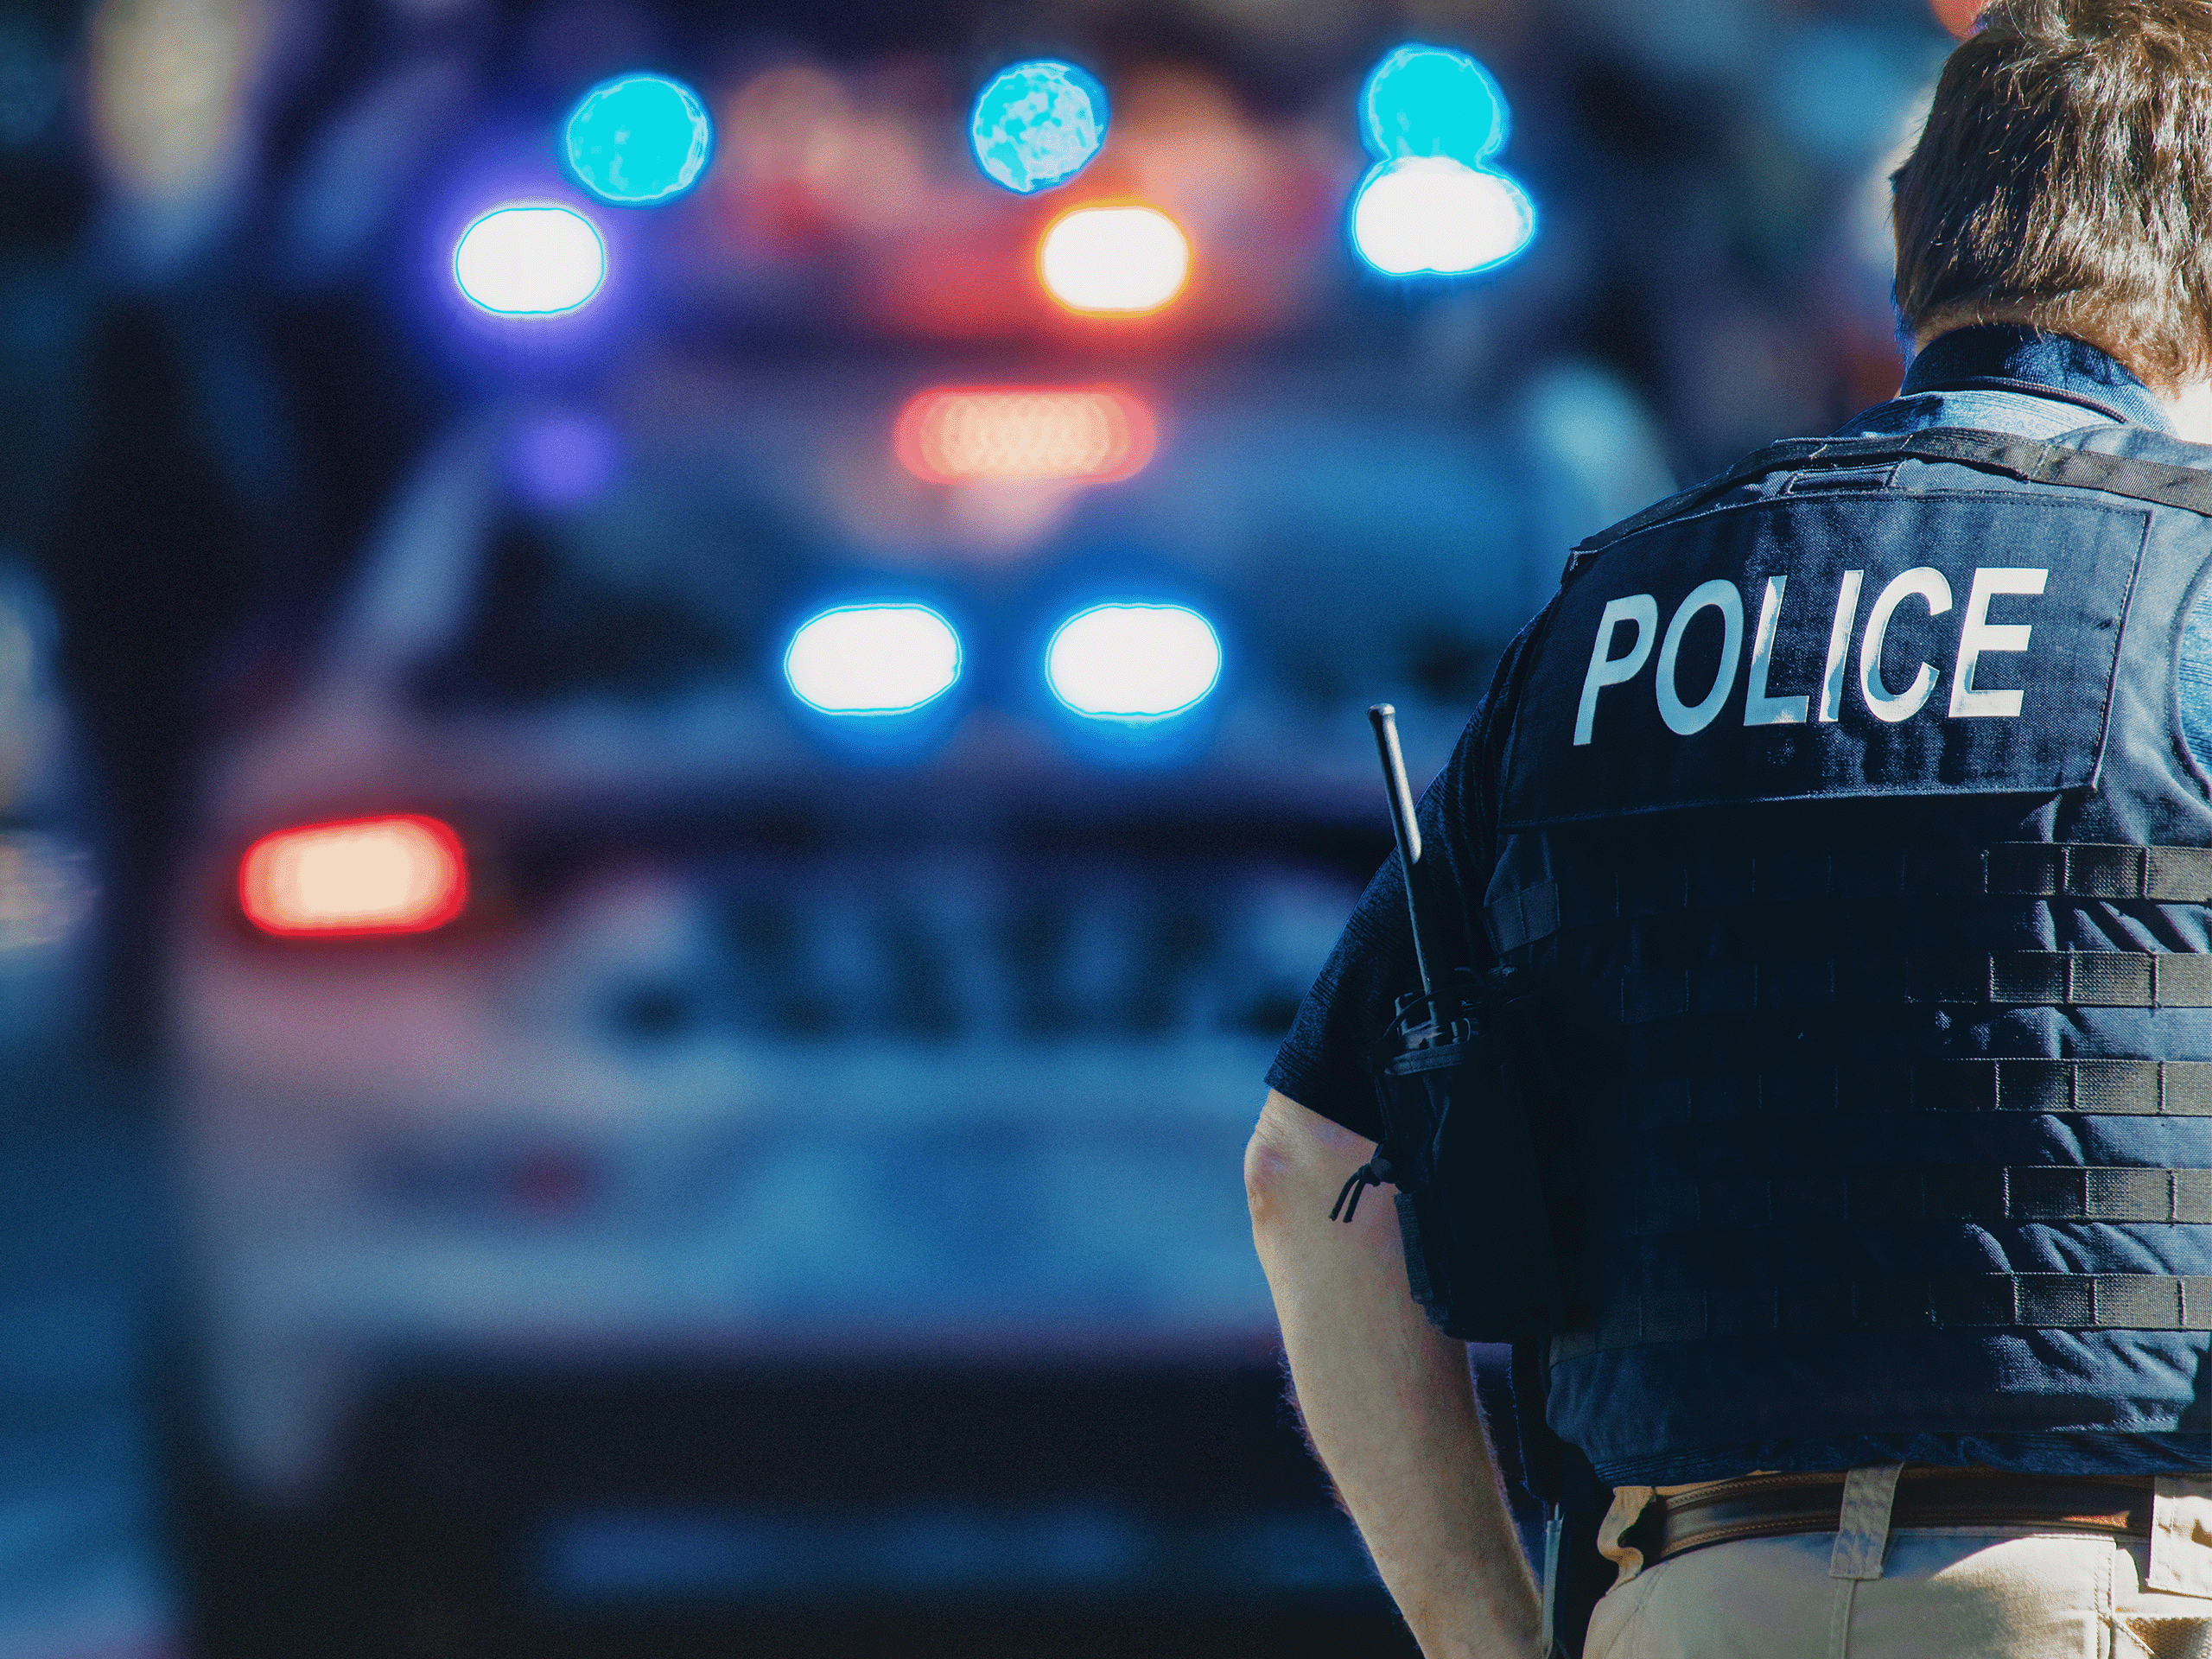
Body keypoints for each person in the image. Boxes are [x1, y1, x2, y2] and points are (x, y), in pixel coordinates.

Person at [1246, 3, 2212, 1655]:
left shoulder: (1615, 619)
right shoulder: (2192, 590)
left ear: (1914, 254)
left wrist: (1493, 1635)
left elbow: (1306, 1171)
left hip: (1677, 1597)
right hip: (2114, 1589)